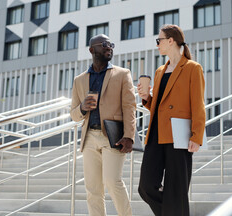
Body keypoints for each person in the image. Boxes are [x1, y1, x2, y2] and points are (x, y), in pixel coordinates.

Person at [137, 24, 206, 216]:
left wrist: (197, 135)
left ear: (171, 41)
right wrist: (146, 98)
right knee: (146, 187)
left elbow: (198, 104)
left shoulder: (193, 68)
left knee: (176, 189)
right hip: (156, 135)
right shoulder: (160, 71)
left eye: (159, 40)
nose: (157, 44)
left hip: (180, 135)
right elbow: (158, 105)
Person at [70, 34, 136, 216]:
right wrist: (82, 107)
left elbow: (130, 107)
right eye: (105, 45)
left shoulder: (122, 74)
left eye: (111, 45)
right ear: (92, 50)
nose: (109, 48)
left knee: (112, 181)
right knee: (93, 189)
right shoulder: (79, 80)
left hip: (113, 136)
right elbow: (73, 114)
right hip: (89, 137)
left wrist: (129, 135)